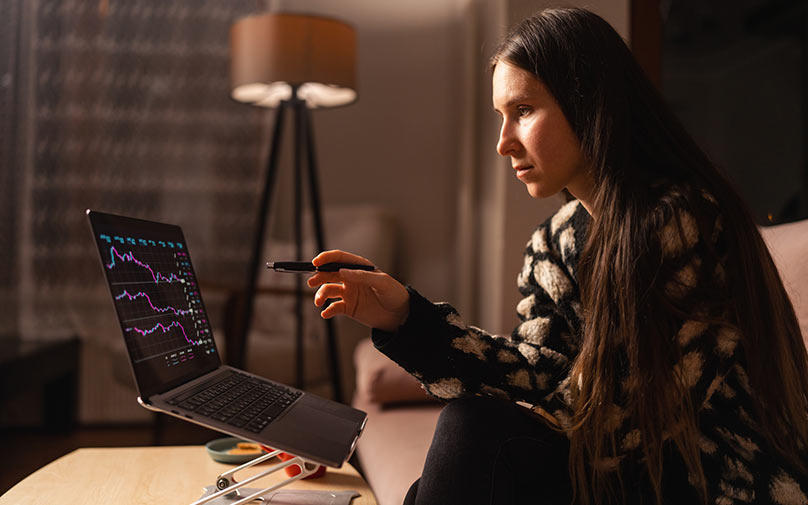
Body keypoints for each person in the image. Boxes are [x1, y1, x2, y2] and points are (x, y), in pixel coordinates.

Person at [307, 7, 808, 505]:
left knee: (477, 434)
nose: (504, 143)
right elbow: (538, 372)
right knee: (466, 455)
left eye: (523, 111)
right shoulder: (555, 239)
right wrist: (406, 318)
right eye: (501, 116)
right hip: (624, 469)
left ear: (588, 102)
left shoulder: (682, 221)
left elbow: (630, 416)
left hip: (715, 478)